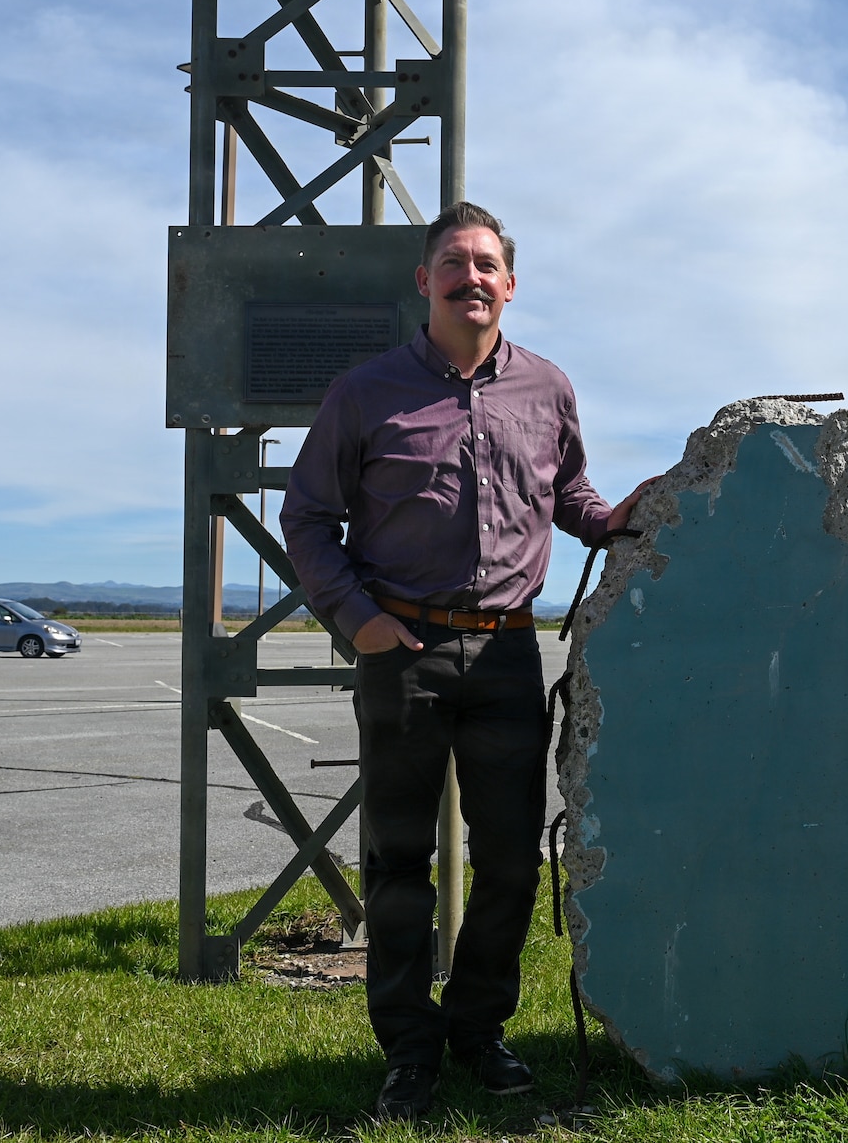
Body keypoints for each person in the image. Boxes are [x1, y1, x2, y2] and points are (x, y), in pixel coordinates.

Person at [281, 201, 651, 1119]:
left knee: (513, 862)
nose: (471, 277)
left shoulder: (549, 388)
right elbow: (306, 518)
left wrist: (610, 519)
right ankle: (409, 1047)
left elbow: (569, 491)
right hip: (399, 650)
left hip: (505, 658)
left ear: (510, 283)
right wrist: (355, 617)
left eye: (487, 263)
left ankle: (480, 1029)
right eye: (454, 261)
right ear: (425, 280)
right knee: (400, 859)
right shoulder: (365, 392)